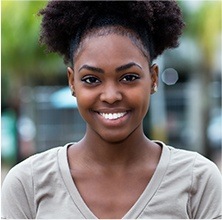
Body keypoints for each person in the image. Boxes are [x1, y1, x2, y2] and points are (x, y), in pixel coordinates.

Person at [1, 1, 221, 219]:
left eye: (129, 77)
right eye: (91, 79)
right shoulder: (28, 184)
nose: (110, 96)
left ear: (153, 79)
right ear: (72, 82)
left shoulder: (197, 180)